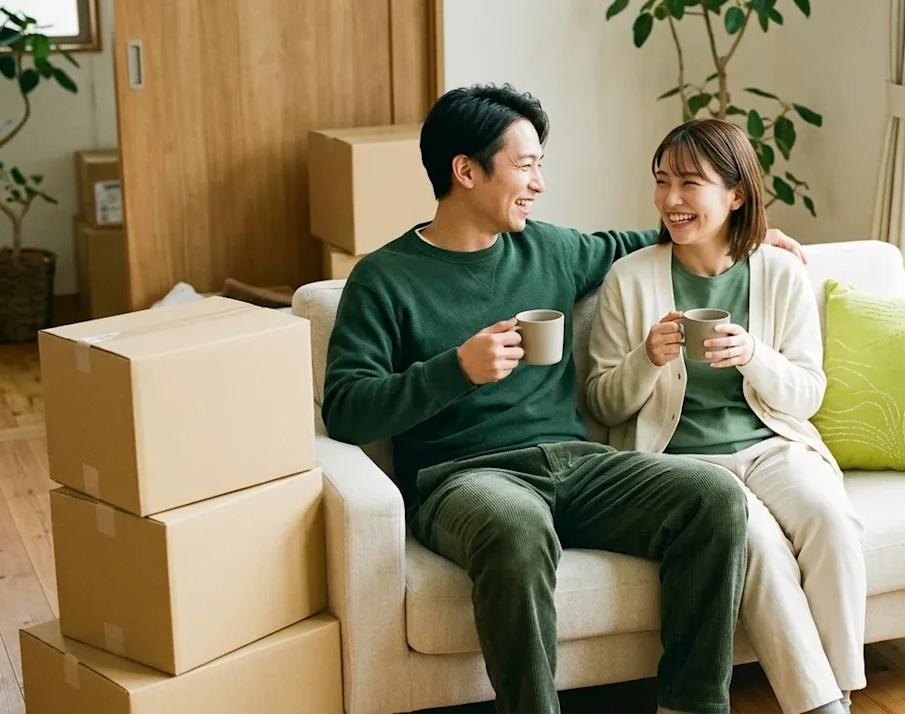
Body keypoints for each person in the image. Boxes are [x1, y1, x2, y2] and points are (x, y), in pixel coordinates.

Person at [320, 85, 807, 714]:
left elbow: (644, 241)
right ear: (466, 171)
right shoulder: (384, 278)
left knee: (713, 498)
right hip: (464, 478)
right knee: (515, 524)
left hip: (577, 463)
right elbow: (346, 410)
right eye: (525, 165)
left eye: (539, 165)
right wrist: (456, 370)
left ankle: (691, 705)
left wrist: (744, 230)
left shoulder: (550, 248)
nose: (539, 183)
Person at [583, 118, 867, 714]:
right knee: (756, 539)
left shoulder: (782, 273)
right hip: (683, 465)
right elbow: (602, 403)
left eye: (690, 183)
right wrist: (647, 359)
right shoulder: (629, 278)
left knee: (831, 520)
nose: (671, 200)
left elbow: (807, 394)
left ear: (736, 194)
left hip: (772, 446)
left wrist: (754, 356)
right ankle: (820, 707)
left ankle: (841, 688)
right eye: (662, 182)